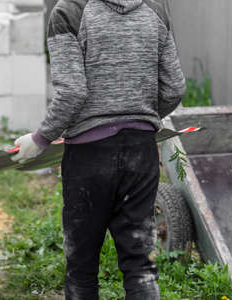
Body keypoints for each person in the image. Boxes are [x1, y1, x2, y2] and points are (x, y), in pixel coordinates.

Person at [12, 0, 186, 299]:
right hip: (141, 153)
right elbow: (174, 88)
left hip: (89, 157)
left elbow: (72, 91)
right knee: (140, 266)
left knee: (82, 266)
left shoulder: (69, 12)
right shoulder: (155, 10)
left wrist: (41, 138)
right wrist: (139, 115)